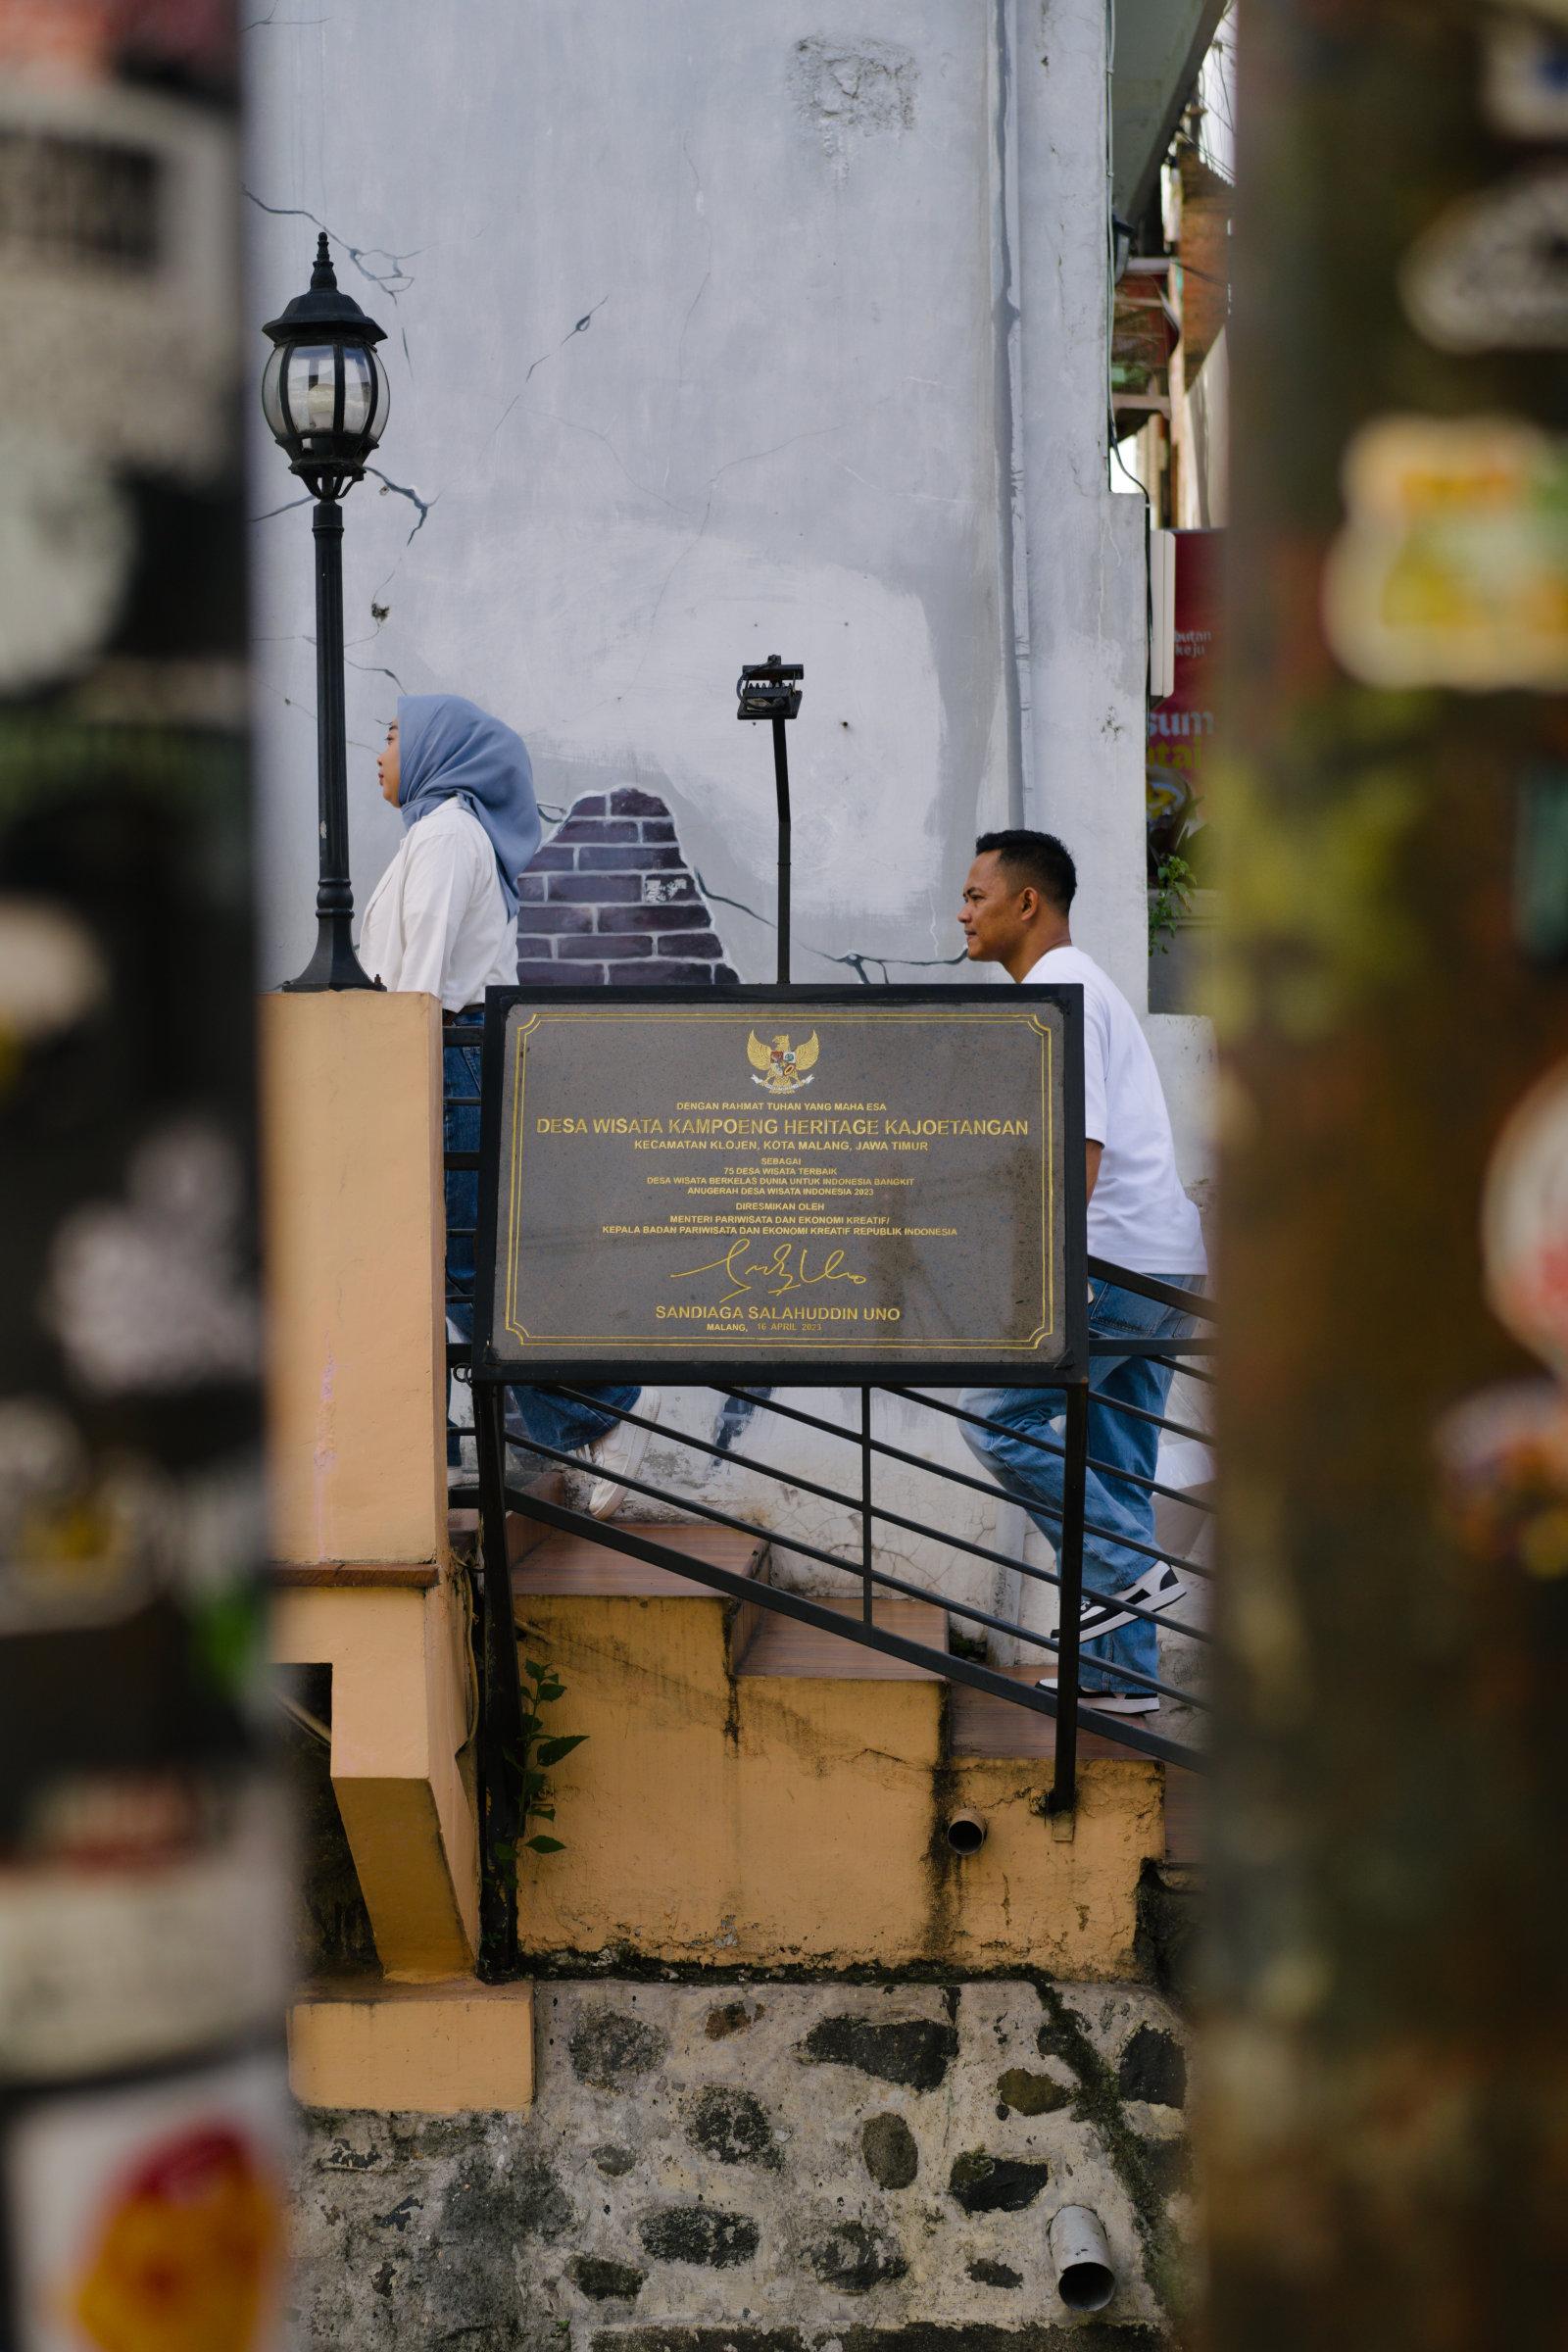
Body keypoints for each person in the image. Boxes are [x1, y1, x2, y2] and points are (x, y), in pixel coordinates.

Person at [359, 693, 659, 1516]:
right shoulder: (437, 831)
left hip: (445, 1057)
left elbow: (417, 973)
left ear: (432, 749)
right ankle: (584, 1424)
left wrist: (391, 1077)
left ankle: (611, 1414)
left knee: (466, 1267)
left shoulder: (447, 833)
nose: (377, 753)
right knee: (462, 1267)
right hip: (446, 1053)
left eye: (390, 735)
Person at [956, 828, 1205, 1714]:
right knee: (1115, 1468)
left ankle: (1133, 1575)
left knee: (997, 1417)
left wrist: (1024, 1273)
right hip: (1166, 1268)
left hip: (1114, 1265)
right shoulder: (1087, 984)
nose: (963, 911)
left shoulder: (1059, 988)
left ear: (1028, 903)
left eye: (977, 895)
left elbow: (1078, 1154)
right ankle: (1120, 1677)